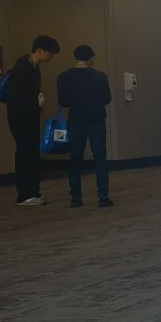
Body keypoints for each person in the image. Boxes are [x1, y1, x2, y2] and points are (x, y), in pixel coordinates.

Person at [57, 44, 113, 208]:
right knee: (100, 158)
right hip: (96, 120)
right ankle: (103, 196)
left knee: (75, 159)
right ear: (91, 58)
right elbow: (107, 99)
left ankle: (75, 197)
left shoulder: (64, 77)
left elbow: (63, 102)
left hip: (76, 120)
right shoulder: (100, 76)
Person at [6, 34, 60, 206]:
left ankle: (33, 192)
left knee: (31, 153)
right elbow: (19, 97)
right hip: (22, 118)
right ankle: (25, 194)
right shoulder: (23, 67)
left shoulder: (32, 66)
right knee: (25, 153)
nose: (50, 57)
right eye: (49, 53)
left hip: (29, 116)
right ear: (40, 50)